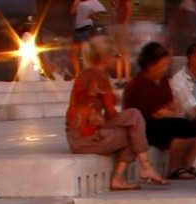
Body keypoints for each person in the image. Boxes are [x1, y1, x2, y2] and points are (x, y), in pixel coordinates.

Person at [65, 47, 165, 190]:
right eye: (115, 55)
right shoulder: (99, 76)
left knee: (133, 124)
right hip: (87, 139)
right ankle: (143, 166)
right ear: (105, 57)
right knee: (134, 120)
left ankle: (131, 173)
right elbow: (111, 114)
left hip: (76, 138)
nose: (117, 59)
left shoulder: (85, 74)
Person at [124, 40, 196, 178]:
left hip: (164, 119)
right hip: (146, 126)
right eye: (163, 65)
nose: (166, 68)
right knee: (180, 126)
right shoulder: (138, 85)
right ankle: (174, 167)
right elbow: (156, 113)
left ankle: (186, 165)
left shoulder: (163, 81)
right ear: (151, 66)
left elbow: (169, 104)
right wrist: (175, 114)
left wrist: (174, 110)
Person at [69, 0, 107, 78]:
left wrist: (92, 14)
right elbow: (72, 11)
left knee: (85, 53)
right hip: (78, 28)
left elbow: (102, 10)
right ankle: (78, 75)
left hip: (86, 28)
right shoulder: (78, 0)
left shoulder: (92, 0)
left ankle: (87, 75)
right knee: (73, 54)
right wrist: (77, 1)